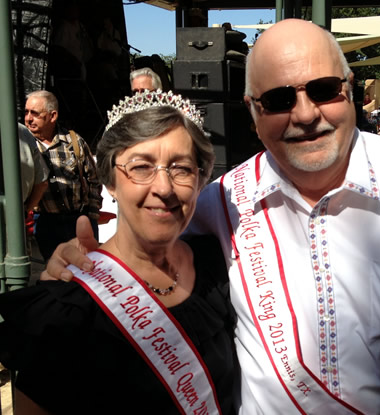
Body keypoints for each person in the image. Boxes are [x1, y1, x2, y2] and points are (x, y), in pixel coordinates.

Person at [46, 19, 380, 414]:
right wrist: (76, 261)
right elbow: (140, 248)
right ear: (253, 113)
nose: (305, 113)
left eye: (324, 89)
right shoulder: (221, 202)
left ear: (350, 91)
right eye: (277, 100)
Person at [0, 91, 238, 414]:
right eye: (141, 167)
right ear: (110, 182)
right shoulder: (67, 309)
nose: (164, 188)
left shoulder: (215, 264)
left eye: (181, 168)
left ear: (200, 178)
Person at [24, 90, 102, 261]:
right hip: (46, 223)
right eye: (26, 112)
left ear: (52, 116)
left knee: (86, 270)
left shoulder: (74, 142)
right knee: (57, 274)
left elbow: (94, 181)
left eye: (35, 113)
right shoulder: (24, 146)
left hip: (78, 220)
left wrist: (91, 217)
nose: (28, 118)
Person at [17, 123, 49, 214]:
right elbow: (42, 182)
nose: (29, 118)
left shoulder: (23, 131)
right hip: (17, 213)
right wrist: (26, 211)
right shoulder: (22, 131)